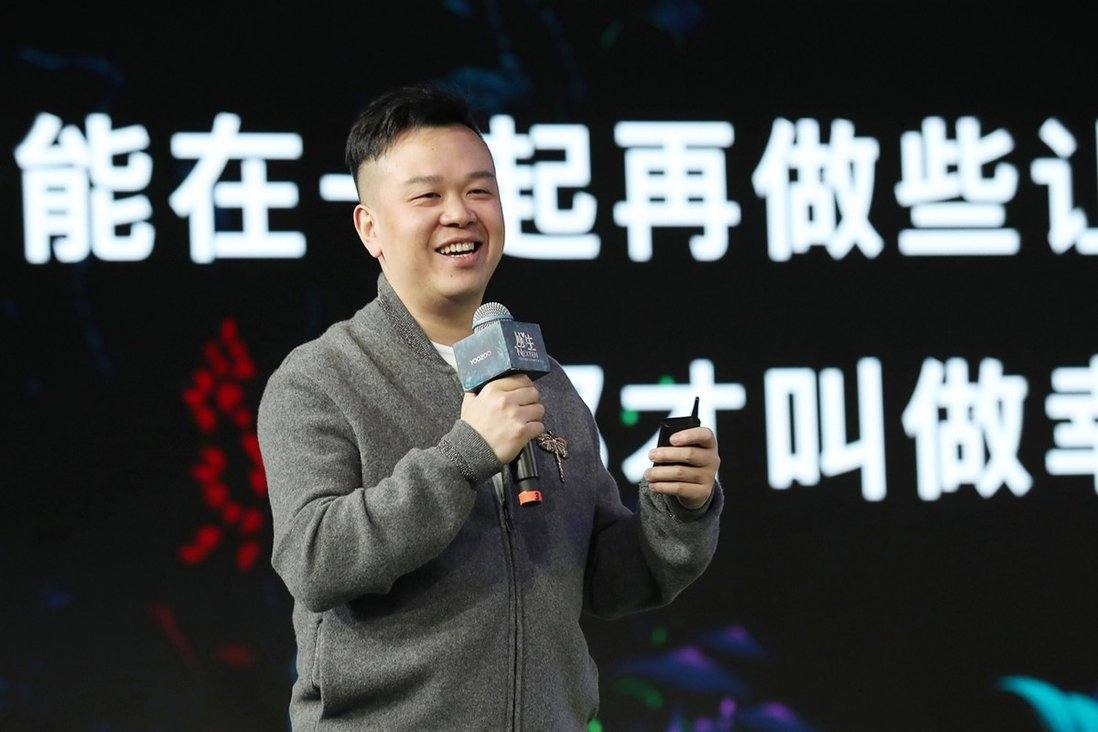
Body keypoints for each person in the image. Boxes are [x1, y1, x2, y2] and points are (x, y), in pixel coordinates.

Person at [257, 85, 724, 730]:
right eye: (427, 197)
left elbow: (604, 581)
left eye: (480, 191)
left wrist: (677, 508)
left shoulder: (540, 378)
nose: (460, 214)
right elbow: (315, 562)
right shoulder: (320, 380)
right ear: (370, 228)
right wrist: (465, 455)